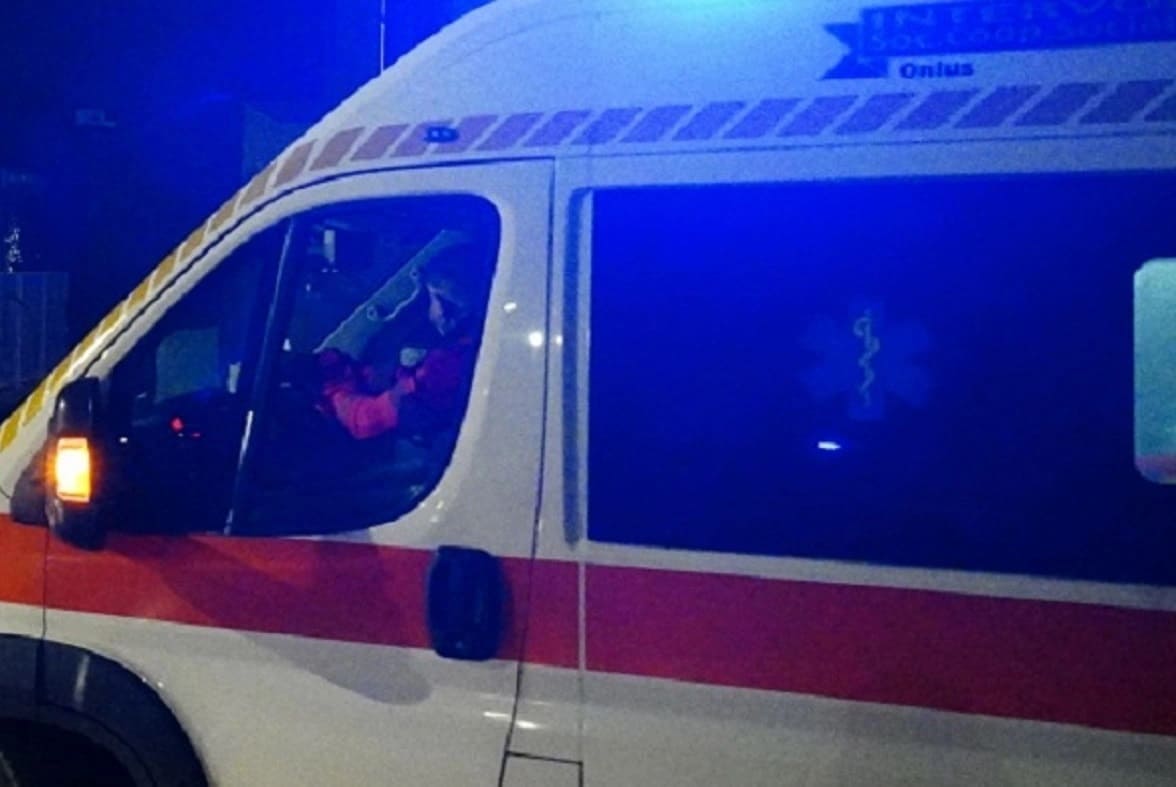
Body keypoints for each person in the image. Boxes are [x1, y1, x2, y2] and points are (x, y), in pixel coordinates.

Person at [315, 242, 488, 442]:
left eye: (454, 305)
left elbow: (365, 421)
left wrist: (332, 390)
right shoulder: (470, 348)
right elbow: (404, 384)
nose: (442, 313)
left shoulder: (448, 363)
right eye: (437, 299)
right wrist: (358, 373)